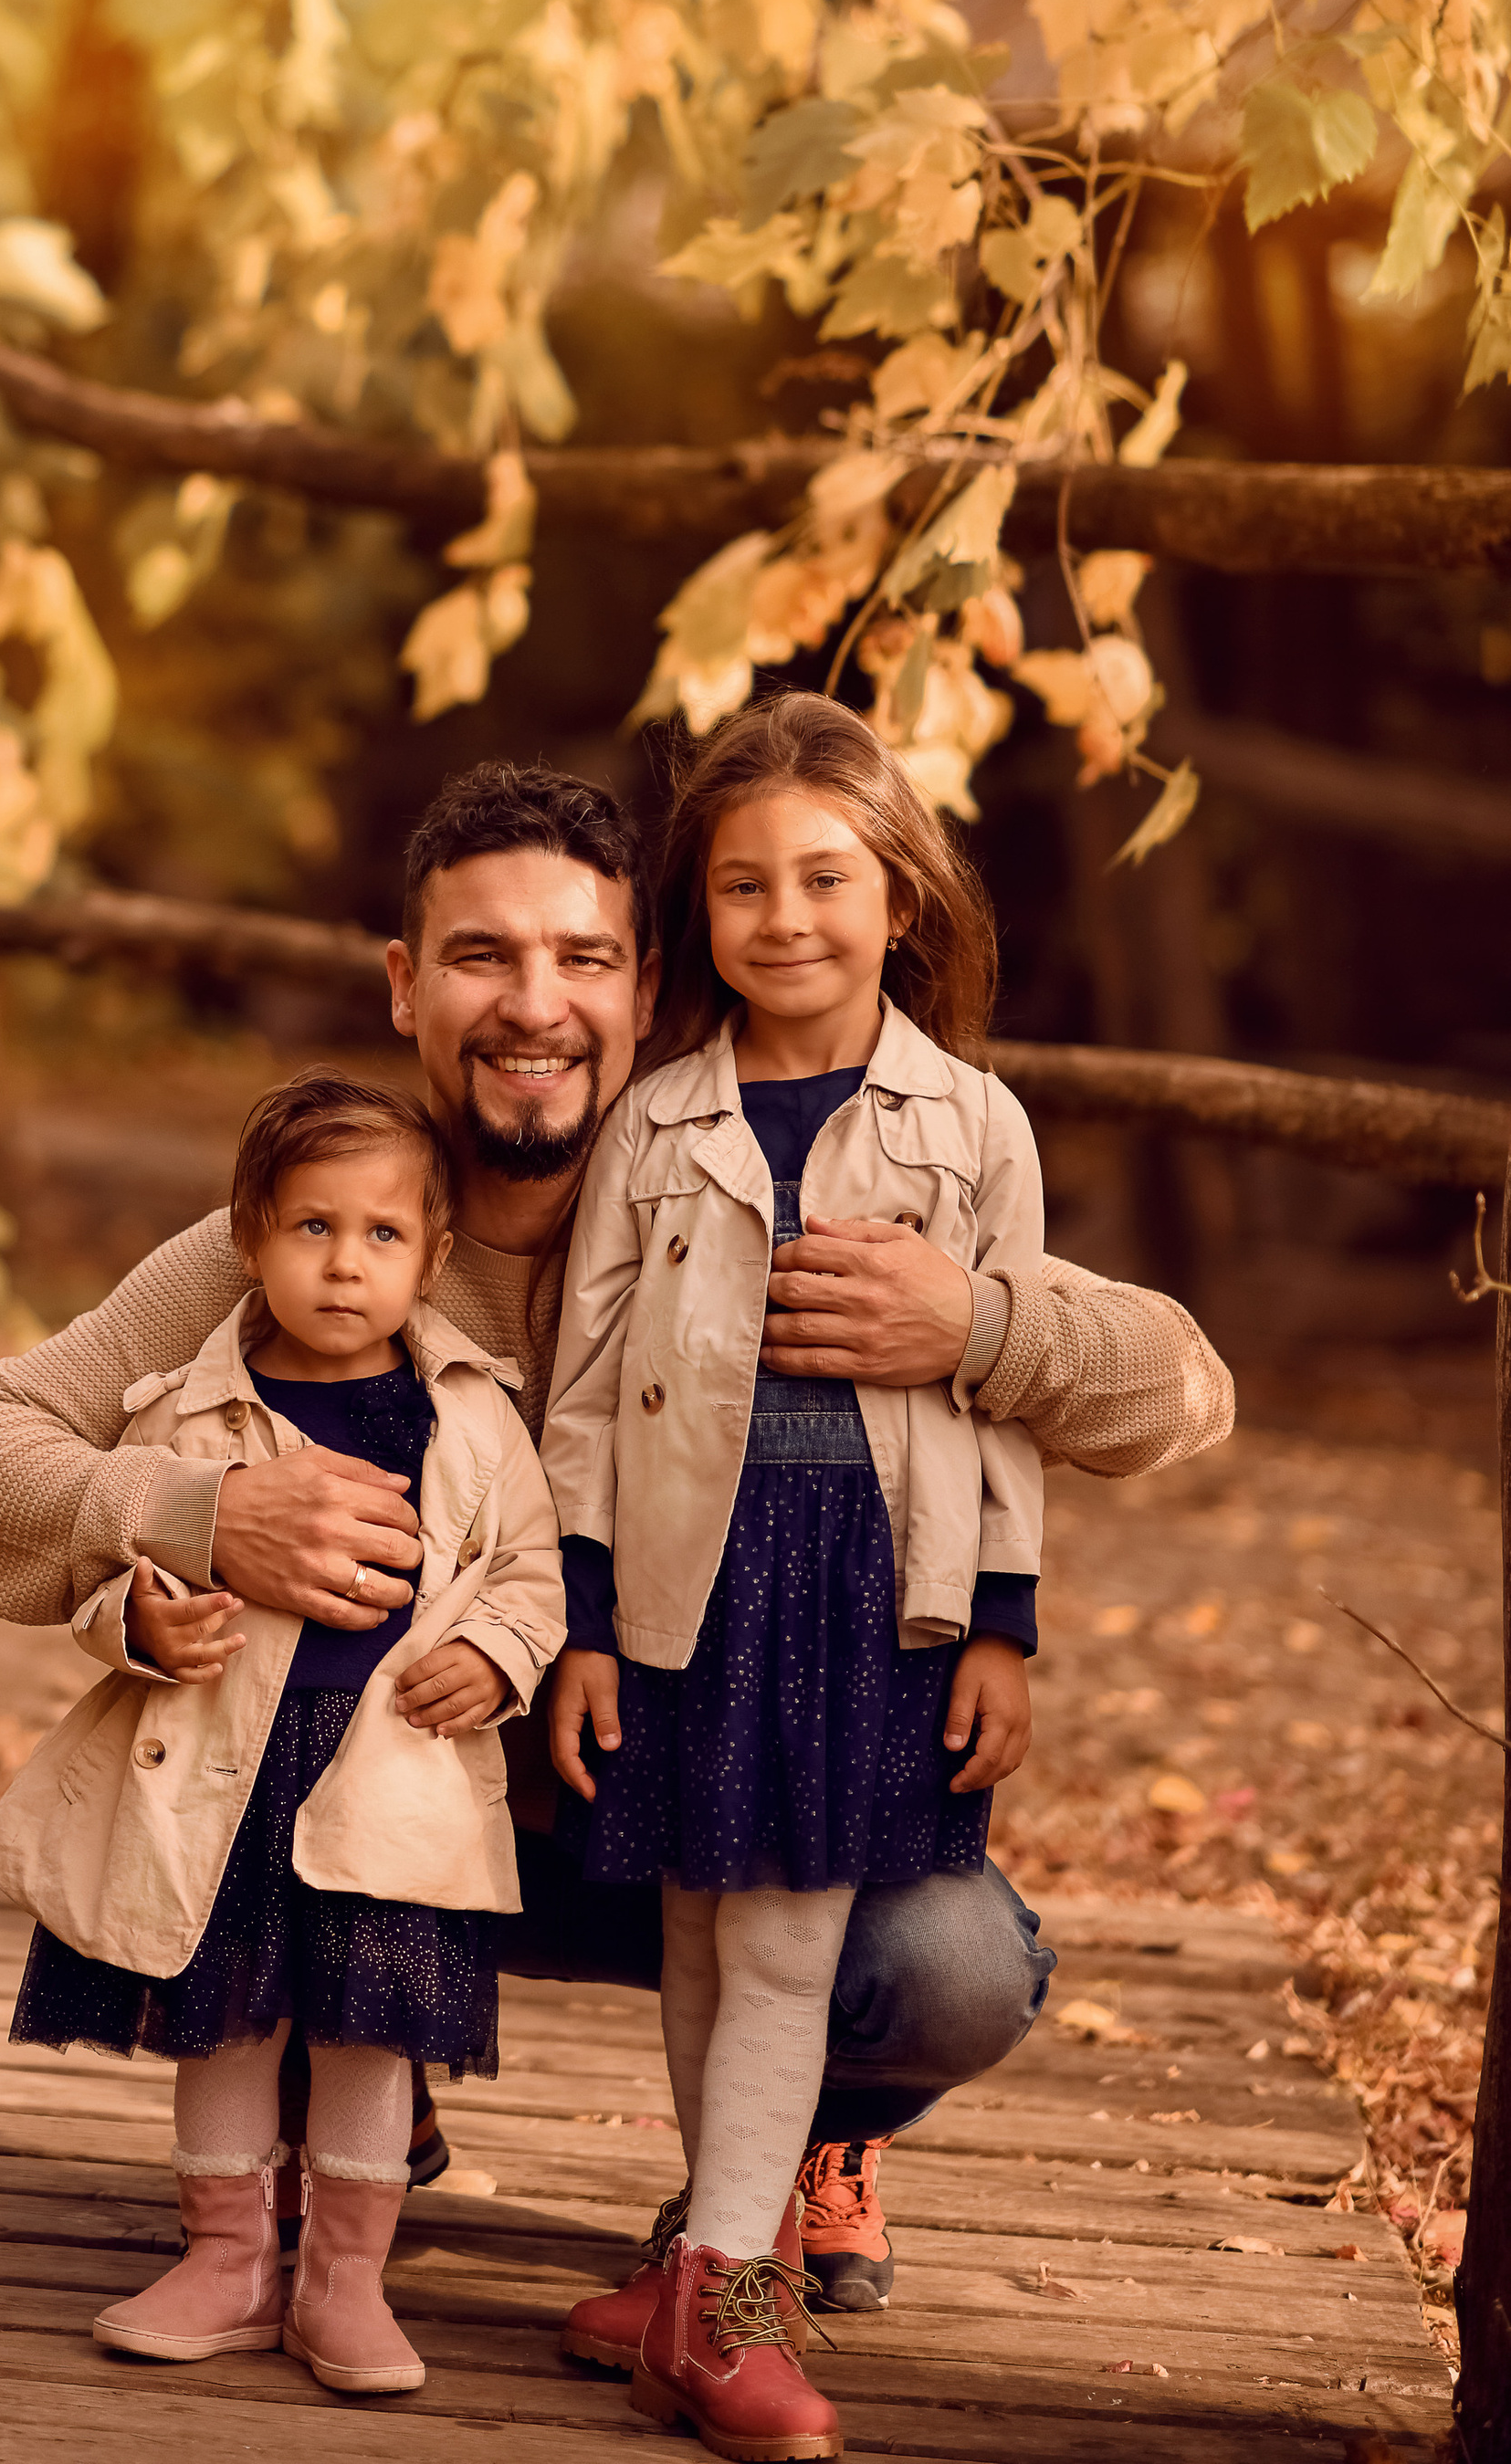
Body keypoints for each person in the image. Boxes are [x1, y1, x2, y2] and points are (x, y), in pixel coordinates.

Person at [0, 754, 1234, 2322]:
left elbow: (1187, 1391)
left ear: (647, 985)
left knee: (950, 1965)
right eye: (482, 957)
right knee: (231, 1789)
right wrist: (195, 1514)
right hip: (391, 1819)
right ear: (405, 988)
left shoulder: (724, 1192)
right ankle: (351, 2059)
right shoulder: (319, 1238)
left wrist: (983, 1325)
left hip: (688, 1792)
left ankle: (802, 2140)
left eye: (583, 959)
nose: (535, 1005)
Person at [540, 691, 1055, 2459]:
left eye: (824, 879)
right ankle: (716, 2256)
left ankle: (714, 2304)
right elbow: (585, 1398)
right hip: (689, 1576)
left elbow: (1001, 1403)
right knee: (703, 1923)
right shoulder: (657, 1123)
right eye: (743, 886)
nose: (786, 918)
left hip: (861, 1580)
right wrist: (587, 1619)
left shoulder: (970, 1124)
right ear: (698, 917)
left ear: (898, 895)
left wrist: (1001, 1623)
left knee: (779, 1939)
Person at [0, 1073, 564, 2399]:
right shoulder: (190, 1411)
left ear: (434, 1256)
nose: (346, 1266)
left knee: (368, 2032)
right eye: (311, 1231)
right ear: (247, 1237)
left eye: (383, 1237)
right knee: (223, 2024)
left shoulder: (469, 1411)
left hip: (390, 1771)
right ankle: (227, 2259)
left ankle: (345, 2278)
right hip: (222, 1774)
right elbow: (104, 1566)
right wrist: (137, 1619)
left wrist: (496, 1651)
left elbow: (529, 1564)